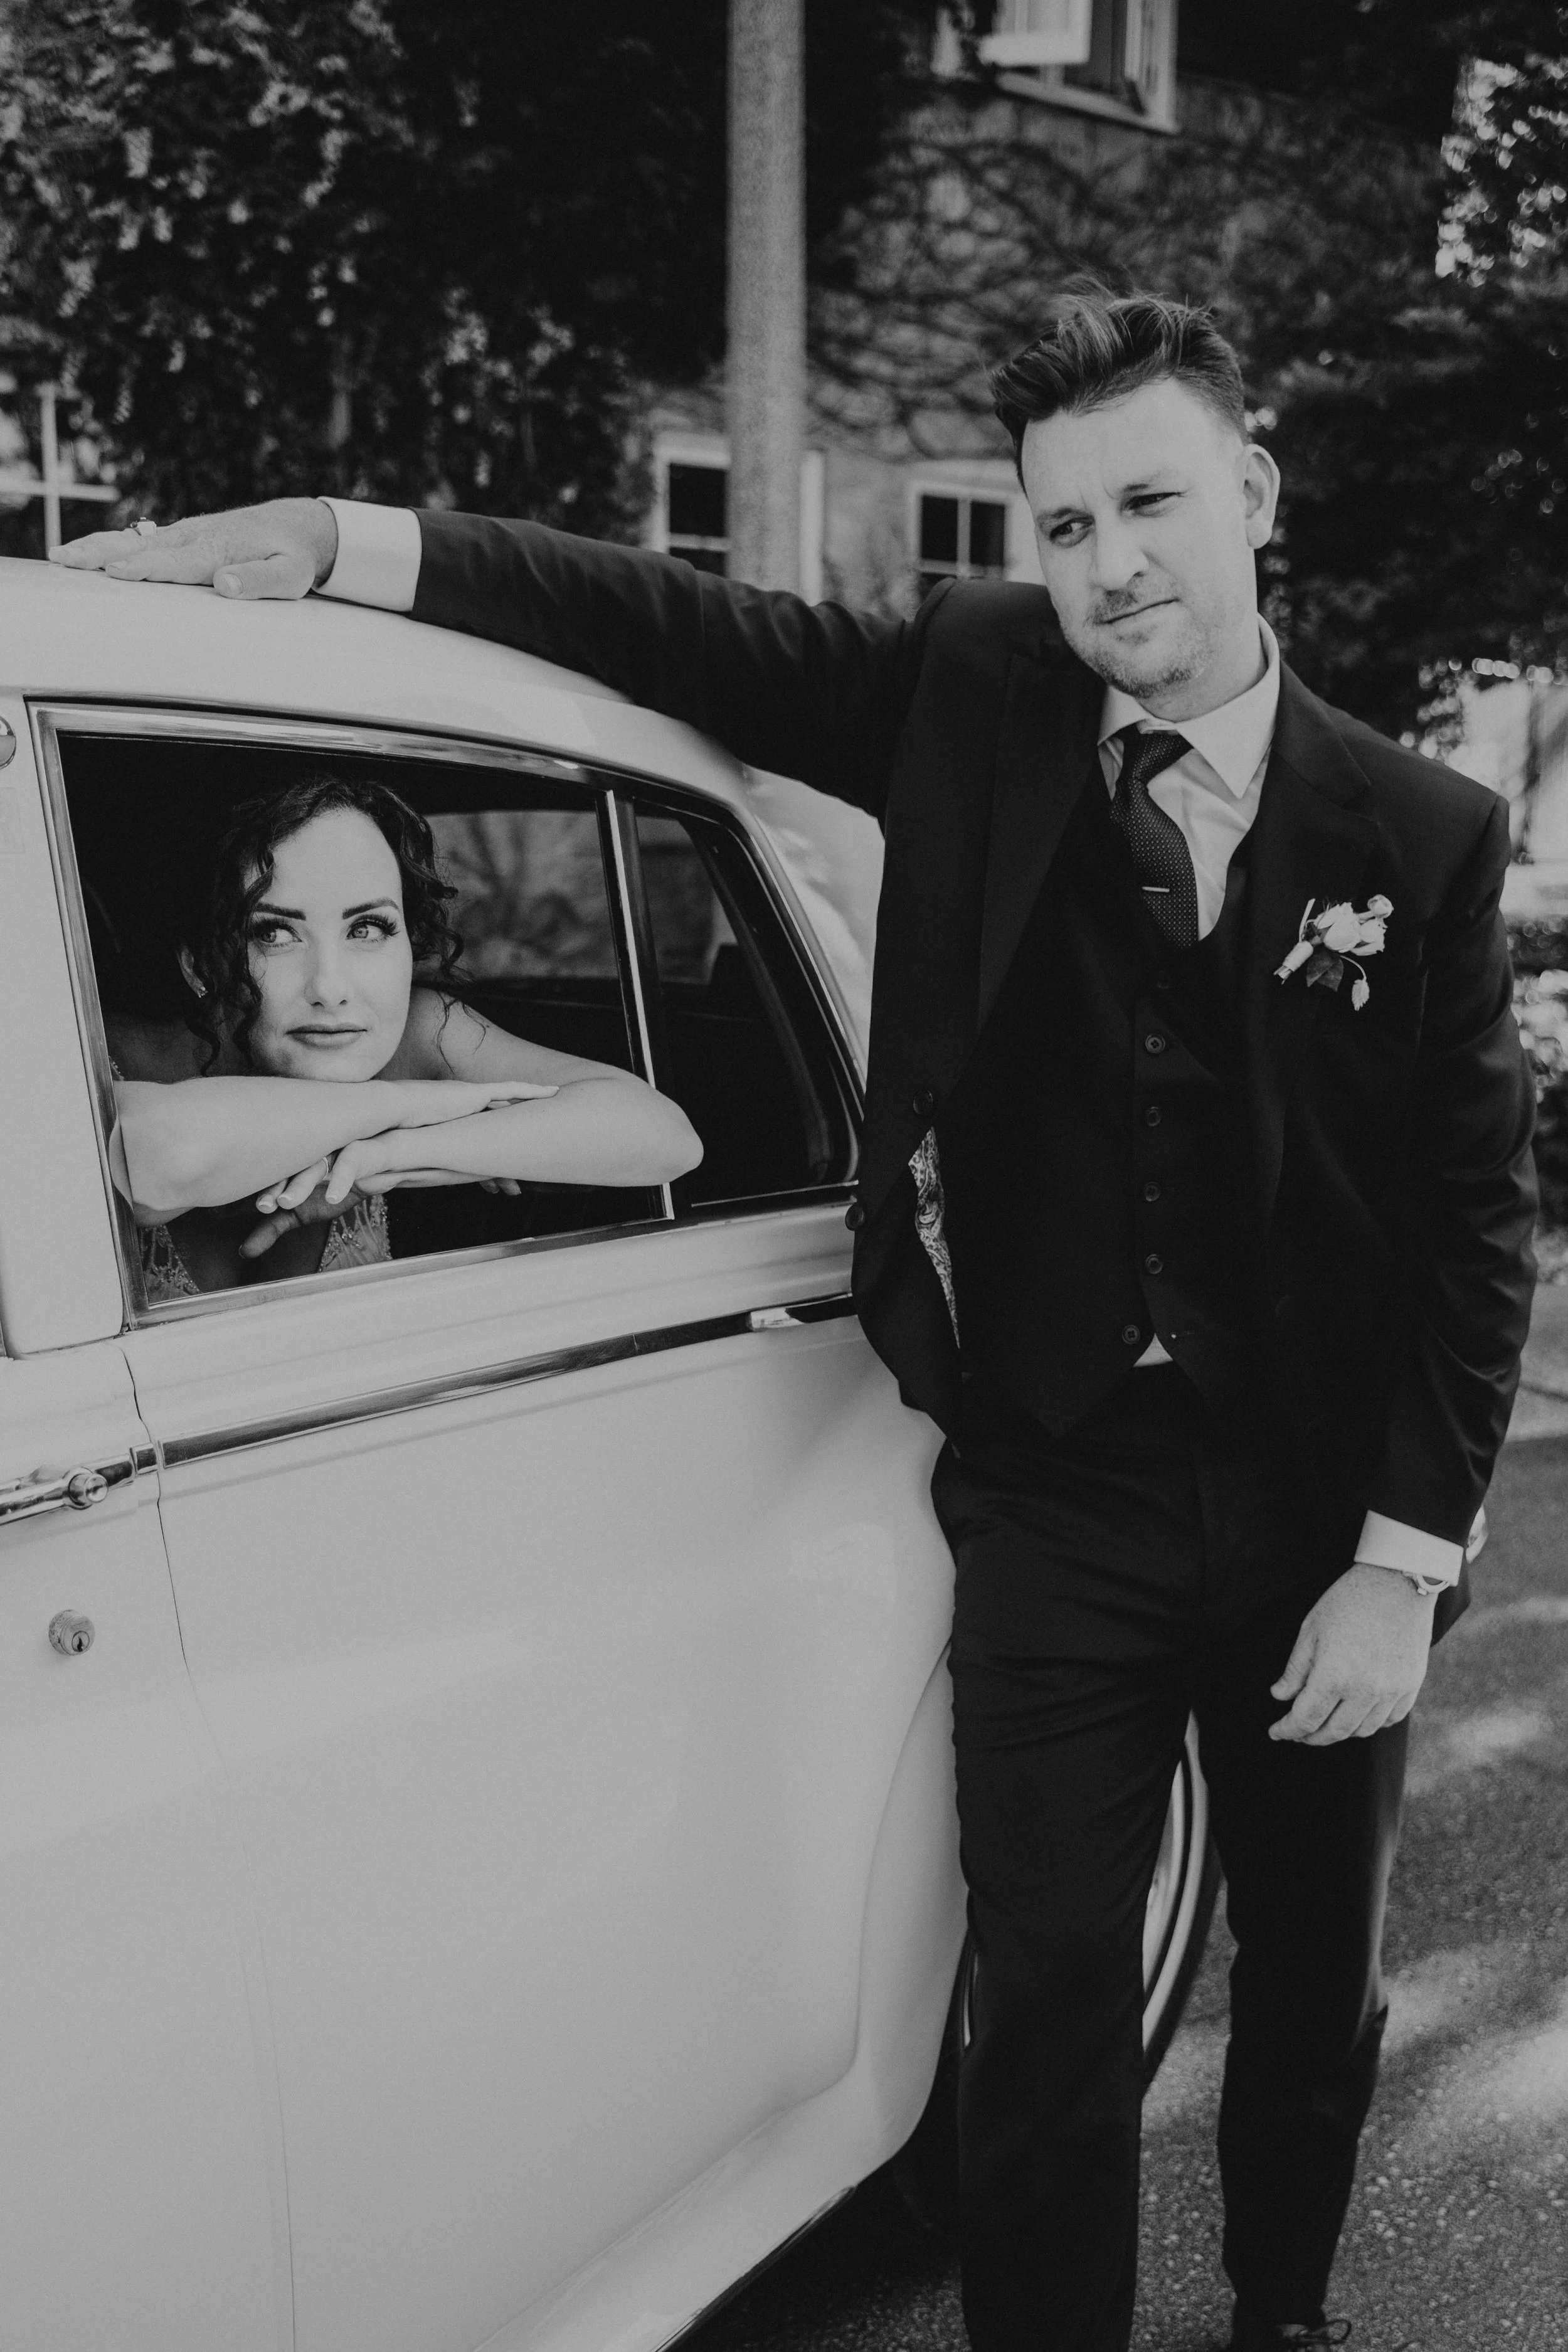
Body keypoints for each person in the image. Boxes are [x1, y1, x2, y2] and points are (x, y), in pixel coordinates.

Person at [59, 289, 1537, 2351]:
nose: (1107, 563)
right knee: (1044, 2005)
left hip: (1316, 1510)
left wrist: (1401, 1560)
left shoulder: (1422, 835)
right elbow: (669, 629)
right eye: (1062, 522)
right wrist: (338, 538)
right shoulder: (977, 688)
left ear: (1251, 493)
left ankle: (1281, 2308)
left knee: (1311, 1974)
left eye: (1149, 504)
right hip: (1055, 1493)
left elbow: (1473, 1231)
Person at [105, 770, 701, 1299]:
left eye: (367, 928)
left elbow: (665, 1137)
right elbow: (160, 1160)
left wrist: (391, 1156)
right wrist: (408, 1104)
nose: (331, 988)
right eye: (274, 934)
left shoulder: (415, 1030)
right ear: (199, 965)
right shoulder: (106, 1049)